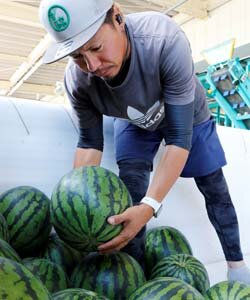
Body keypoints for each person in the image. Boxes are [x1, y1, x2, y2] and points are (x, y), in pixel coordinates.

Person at [39, 0, 250, 283]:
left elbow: (178, 137)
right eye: (77, 55)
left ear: (117, 17)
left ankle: (237, 268)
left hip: (187, 118)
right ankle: (137, 278)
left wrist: (151, 206)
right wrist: (71, 210)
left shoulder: (163, 40)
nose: (91, 65)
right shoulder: (79, 81)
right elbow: (90, 143)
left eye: (96, 48)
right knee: (130, 192)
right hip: (133, 119)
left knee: (214, 187)